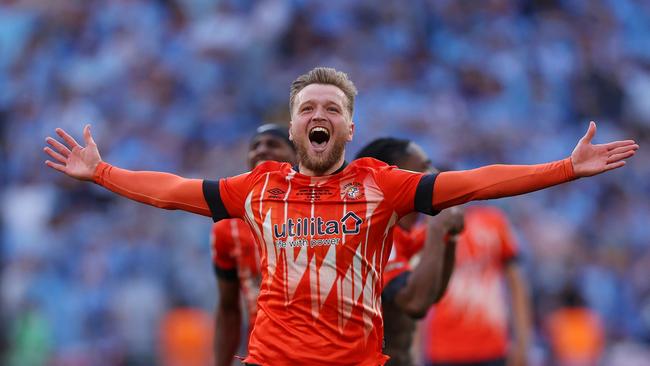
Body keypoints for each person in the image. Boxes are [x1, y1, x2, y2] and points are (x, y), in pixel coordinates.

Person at [43, 67, 638, 365]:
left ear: (349, 128)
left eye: (331, 107)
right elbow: (174, 190)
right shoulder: (259, 186)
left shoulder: (382, 186)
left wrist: (564, 167)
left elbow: (477, 181)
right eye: (307, 107)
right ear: (297, 123)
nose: (317, 114)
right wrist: (102, 172)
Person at [355, 137, 464, 366]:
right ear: (396, 175)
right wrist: (437, 228)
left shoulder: (406, 235)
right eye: (425, 167)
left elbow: (432, 295)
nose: (435, 174)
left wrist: (449, 237)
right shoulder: (378, 234)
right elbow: (415, 304)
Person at [210, 124, 296, 366]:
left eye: (272, 144)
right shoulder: (228, 227)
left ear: (297, 156)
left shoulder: (318, 213)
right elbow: (228, 308)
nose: (261, 150)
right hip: (263, 356)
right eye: (255, 146)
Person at [422, 204, 532, 366]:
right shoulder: (434, 222)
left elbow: (516, 285)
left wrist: (523, 341)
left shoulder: (495, 221)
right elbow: (421, 292)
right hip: (444, 348)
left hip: (491, 346)